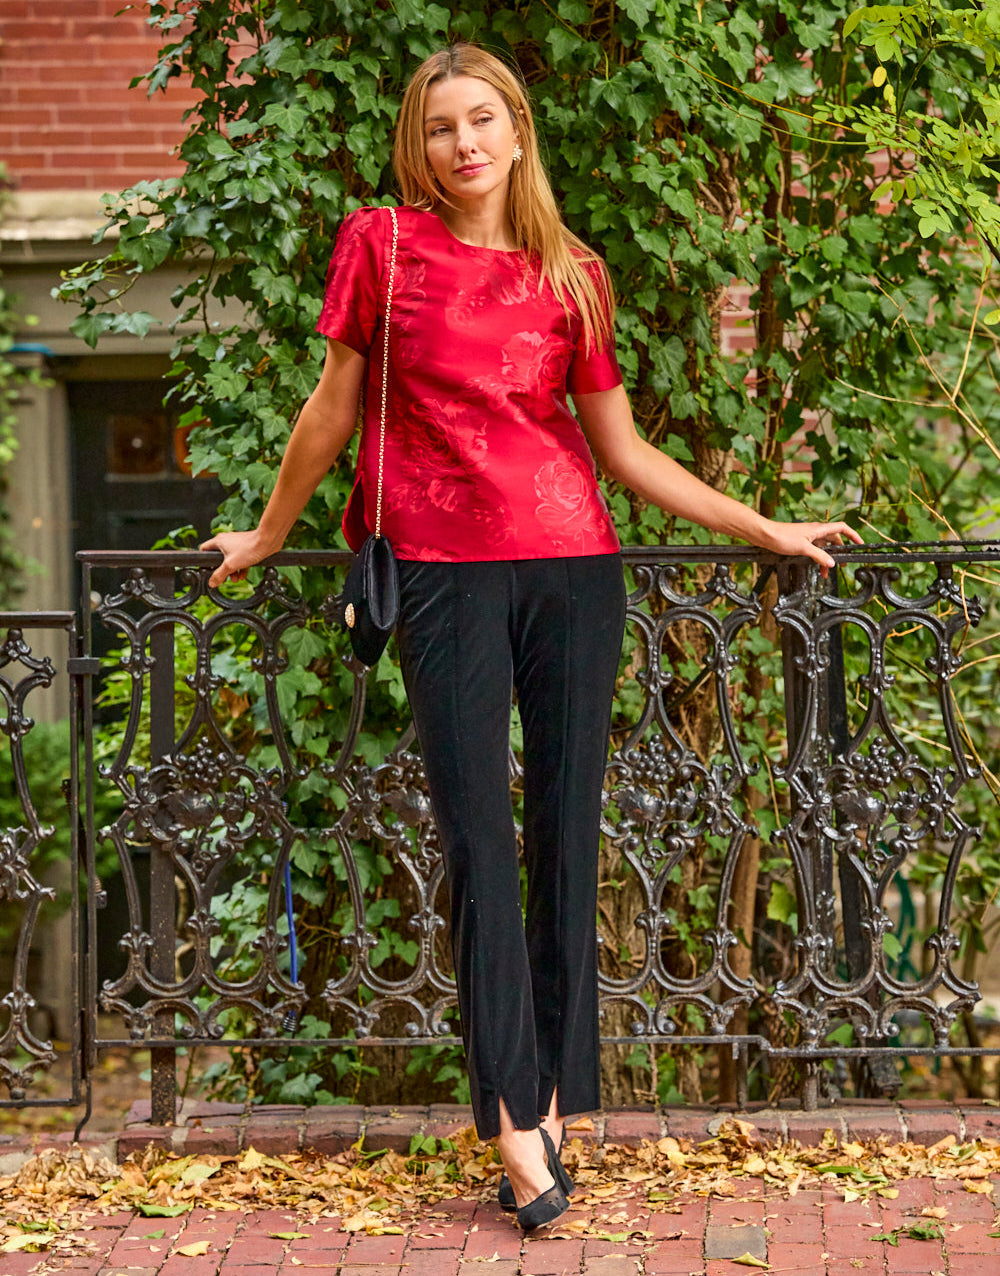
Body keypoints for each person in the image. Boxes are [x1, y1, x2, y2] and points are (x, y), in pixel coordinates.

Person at [200, 43, 862, 1231]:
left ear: (517, 132)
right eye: (443, 125)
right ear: (420, 143)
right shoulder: (384, 246)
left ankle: (552, 1094)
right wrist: (266, 529)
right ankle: (513, 1118)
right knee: (476, 840)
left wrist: (760, 523)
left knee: (564, 832)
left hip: (572, 568)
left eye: (484, 121)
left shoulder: (576, 273)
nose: (465, 145)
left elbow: (620, 452)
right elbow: (332, 408)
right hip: (444, 579)